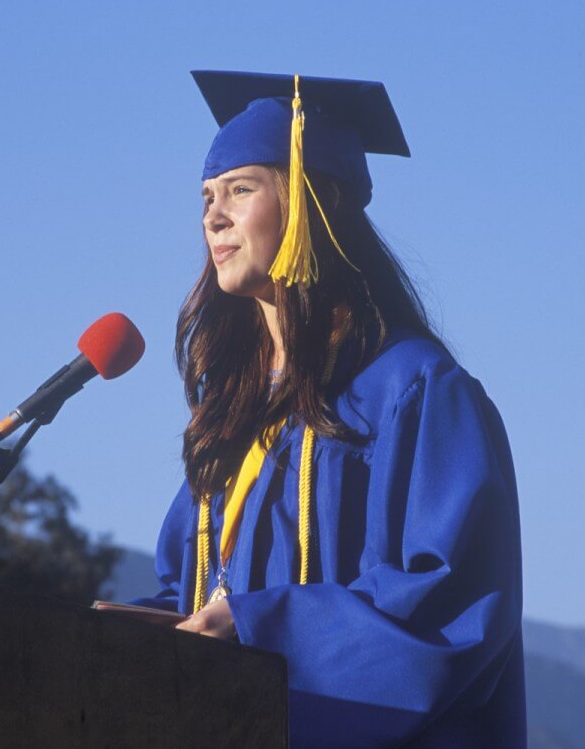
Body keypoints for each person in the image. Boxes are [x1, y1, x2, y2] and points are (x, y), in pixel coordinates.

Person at [131, 71, 526, 747]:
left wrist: (257, 626)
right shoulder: (236, 419)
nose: (213, 216)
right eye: (206, 197)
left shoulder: (415, 389)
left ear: (320, 201)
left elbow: (448, 606)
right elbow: (191, 588)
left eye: (241, 189)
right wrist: (126, 631)